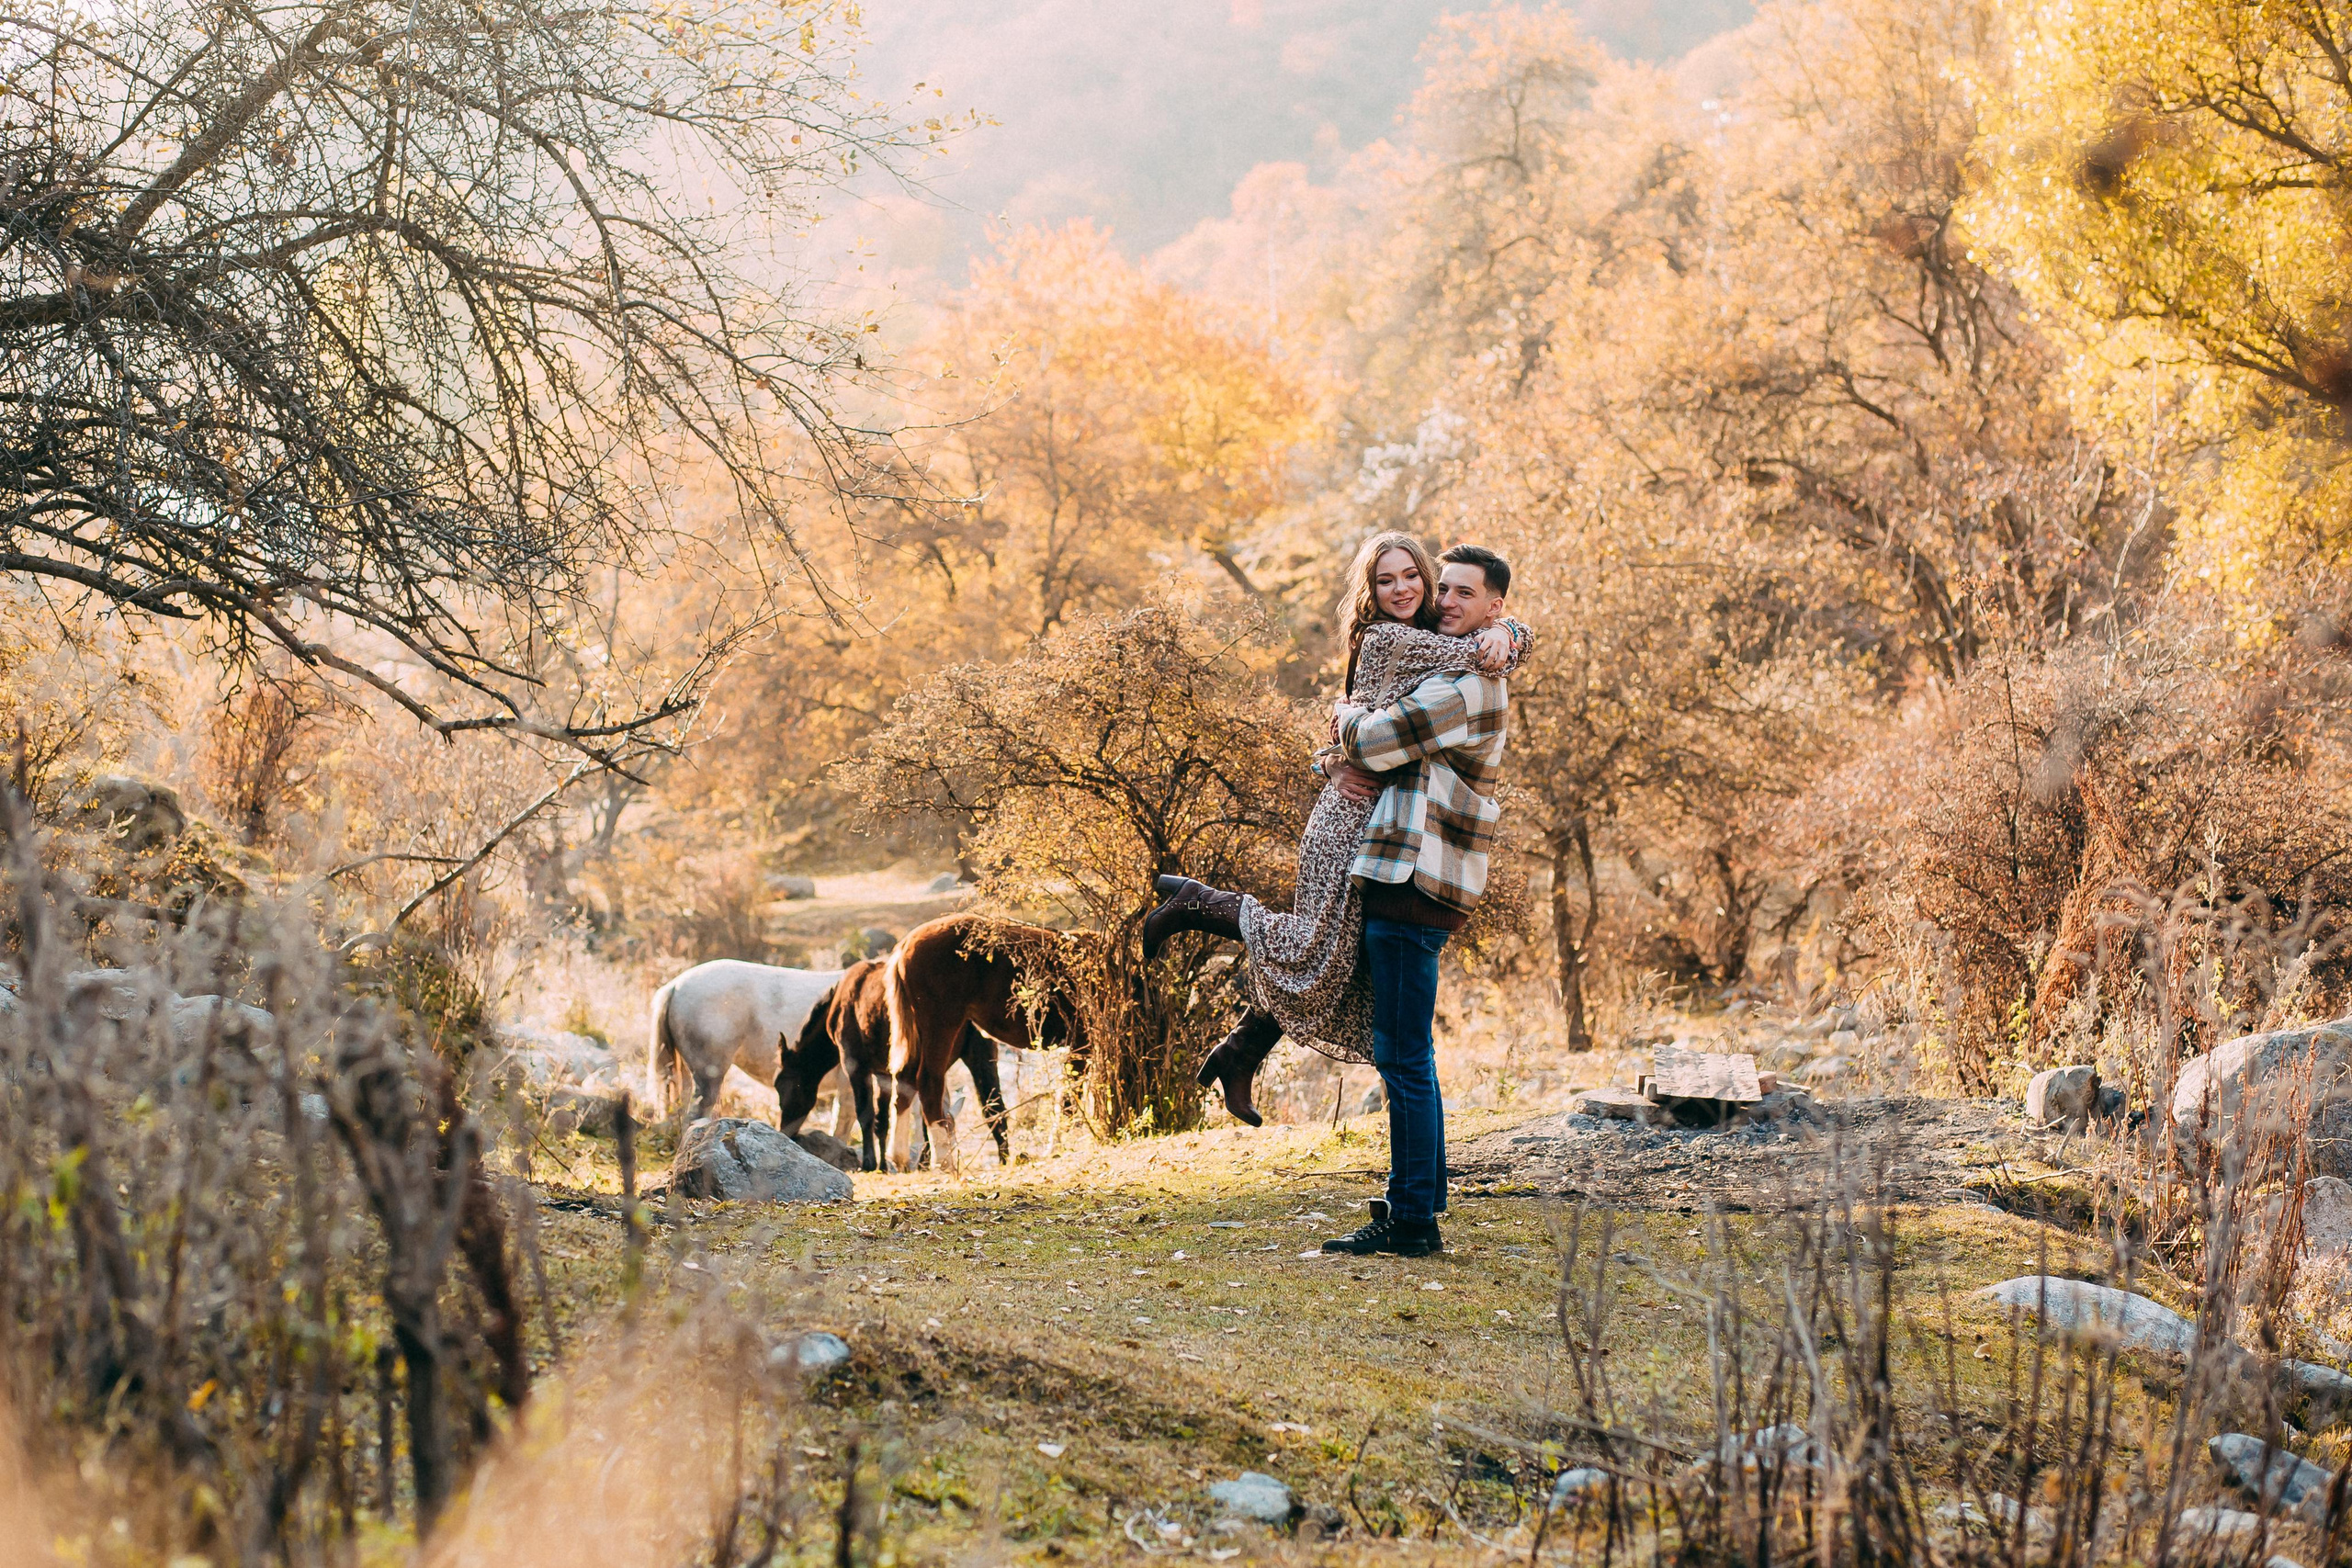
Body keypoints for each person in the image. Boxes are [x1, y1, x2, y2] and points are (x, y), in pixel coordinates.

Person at [1142, 539, 1523, 1256]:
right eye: (1443, 588)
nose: (1444, 600)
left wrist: (1344, 721)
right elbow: (1372, 738)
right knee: (1404, 1050)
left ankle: (1412, 1221)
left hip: (1415, 881)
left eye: (1463, 593)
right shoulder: (1451, 661)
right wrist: (1335, 752)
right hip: (1402, 874)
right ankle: (1413, 1201)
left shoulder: (1466, 685)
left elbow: (1376, 741)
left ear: (1494, 605)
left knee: (1402, 1059)